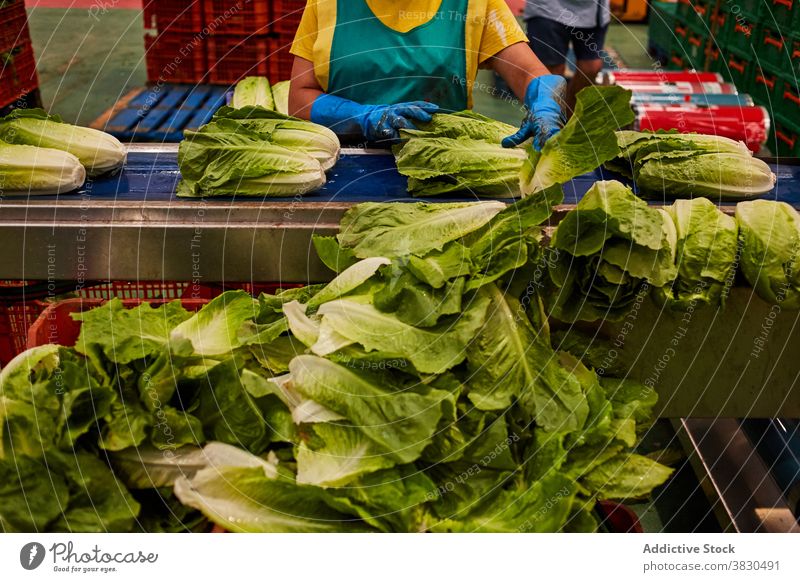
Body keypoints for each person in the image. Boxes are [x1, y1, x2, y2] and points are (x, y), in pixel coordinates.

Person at [288, 0, 566, 151]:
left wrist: (545, 101)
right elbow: (300, 98)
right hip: (349, 164)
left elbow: (530, 72)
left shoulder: (473, 4)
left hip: (447, 168)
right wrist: (362, 118)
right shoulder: (327, 4)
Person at [524, 0, 610, 112]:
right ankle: (547, 121)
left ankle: (569, 118)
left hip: (593, 11)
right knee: (551, 72)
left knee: (591, 68)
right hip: (549, 9)